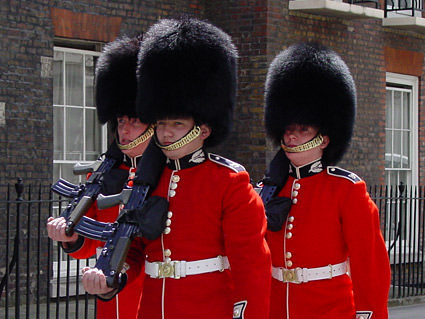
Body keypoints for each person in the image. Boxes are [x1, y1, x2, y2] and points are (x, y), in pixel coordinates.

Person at [81, 17, 272, 319]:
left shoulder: (229, 181)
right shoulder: (146, 179)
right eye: (161, 124)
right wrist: (112, 278)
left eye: (177, 124)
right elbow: (134, 249)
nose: (166, 133)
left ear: (204, 130)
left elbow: (251, 265)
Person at [262, 42, 391, 319]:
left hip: (329, 308)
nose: (292, 136)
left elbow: (369, 264)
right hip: (275, 307)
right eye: (288, 129)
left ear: (325, 139)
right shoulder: (267, 189)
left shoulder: (346, 190)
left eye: (303, 129)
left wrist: (369, 313)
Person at [46, 36, 152, 319]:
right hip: (108, 297)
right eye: (121, 121)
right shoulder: (106, 174)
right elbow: (89, 244)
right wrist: (69, 237)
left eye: (135, 121)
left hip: (150, 297)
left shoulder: (166, 178)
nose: (125, 130)